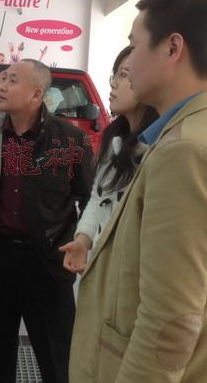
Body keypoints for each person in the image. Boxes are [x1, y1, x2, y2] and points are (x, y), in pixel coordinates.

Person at [70, 0, 207, 382]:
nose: (128, 63)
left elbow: (168, 325)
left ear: (173, 48)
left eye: (135, 45)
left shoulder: (187, 150)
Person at [0, 59, 94, 383]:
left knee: (58, 358)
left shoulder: (70, 140)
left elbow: (89, 196)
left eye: (12, 80)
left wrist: (82, 240)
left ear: (37, 94)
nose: (1, 85)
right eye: (2, 79)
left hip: (47, 259)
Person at [60, 46, 158, 274]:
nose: (113, 84)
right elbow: (99, 196)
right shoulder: (115, 138)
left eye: (124, 75)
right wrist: (83, 240)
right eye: (115, 75)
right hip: (106, 263)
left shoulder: (160, 148)